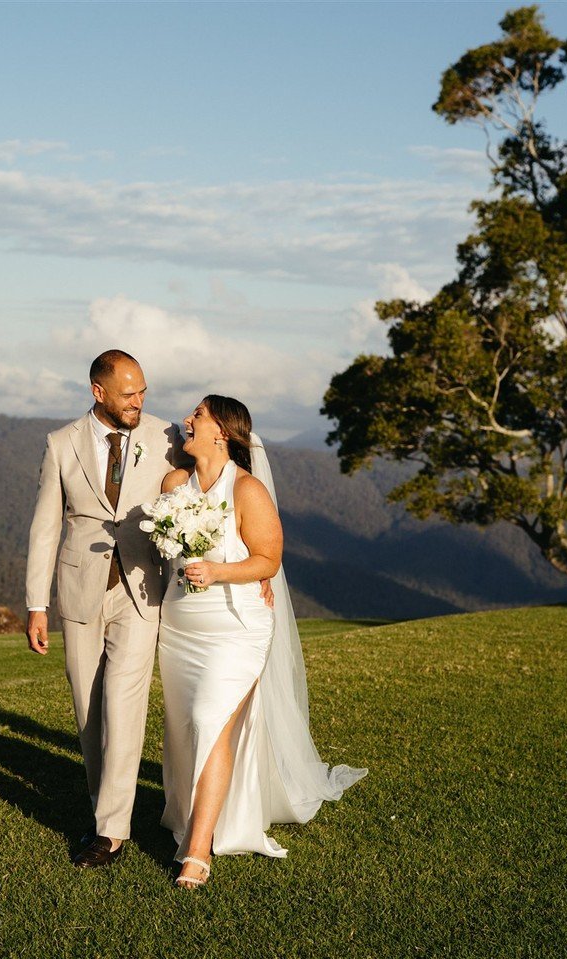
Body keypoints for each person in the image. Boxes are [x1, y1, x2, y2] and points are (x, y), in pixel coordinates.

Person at [157, 395, 366, 889]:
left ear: (222, 432)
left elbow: (268, 560)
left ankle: (198, 849)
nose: (187, 420)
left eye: (199, 415)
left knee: (212, 721)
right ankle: (193, 812)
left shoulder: (247, 489)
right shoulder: (173, 484)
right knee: (187, 727)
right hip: (181, 626)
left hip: (236, 628)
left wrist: (220, 571)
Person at [25, 349, 184, 869]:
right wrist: (35, 604)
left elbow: (201, 492)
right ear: (99, 392)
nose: (138, 402)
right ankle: (103, 810)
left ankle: (112, 831)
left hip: (141, 589)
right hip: (78, 591)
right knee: (88, 707)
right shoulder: (61, 443)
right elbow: (46, 527)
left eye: (143, 392)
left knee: (123, 701)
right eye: (128, 394)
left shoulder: (165, 437)